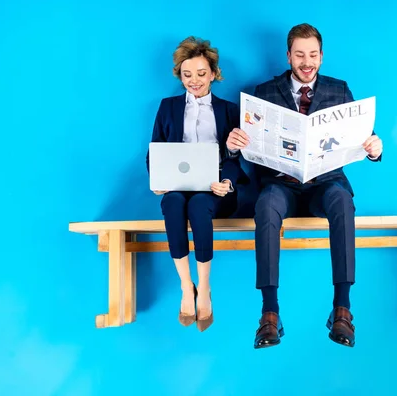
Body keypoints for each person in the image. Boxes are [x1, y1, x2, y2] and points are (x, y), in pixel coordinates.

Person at [226, 23, 383, 348]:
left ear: (322, 57)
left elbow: (360, 138)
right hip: (280, 186)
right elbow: (246, 145)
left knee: (343, 200)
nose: (306, 61)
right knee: (266, 204)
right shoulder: (264, 92)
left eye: (312, 54)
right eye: (300, 54)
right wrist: (233, 143)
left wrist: (374, 150)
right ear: (288, 56)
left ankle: (343, 308)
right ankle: (269, 313)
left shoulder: (340, 90)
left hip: (324, 185)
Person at [146, 36, 243, 332]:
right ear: (180, 75)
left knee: (200, 205)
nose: (194, 81)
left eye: (201, 74)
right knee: (172, 202)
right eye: (187, 75)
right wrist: (158, 179)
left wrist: (226, 181)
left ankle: (204, 286)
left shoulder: (228, 109)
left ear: (213, 73)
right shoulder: (168, 107)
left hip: (214, 191)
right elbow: (155, 149)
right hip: (178, 186)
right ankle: (186, 287)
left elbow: (235, 158)